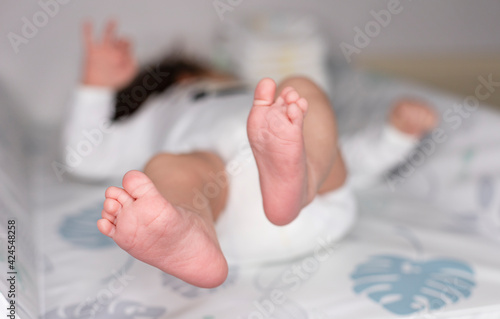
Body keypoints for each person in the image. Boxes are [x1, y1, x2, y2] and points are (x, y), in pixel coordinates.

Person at [63, 21, 437, 288]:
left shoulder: (258, 100)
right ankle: (186, 228)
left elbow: (346, 155)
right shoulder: (150, 115)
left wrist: (396, 135)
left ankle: (297, 180)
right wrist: (97, 86)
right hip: (247, 212)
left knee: (298, 95)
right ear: (182, 79)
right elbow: (84, 154)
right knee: (169, 168)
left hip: (292, 199)